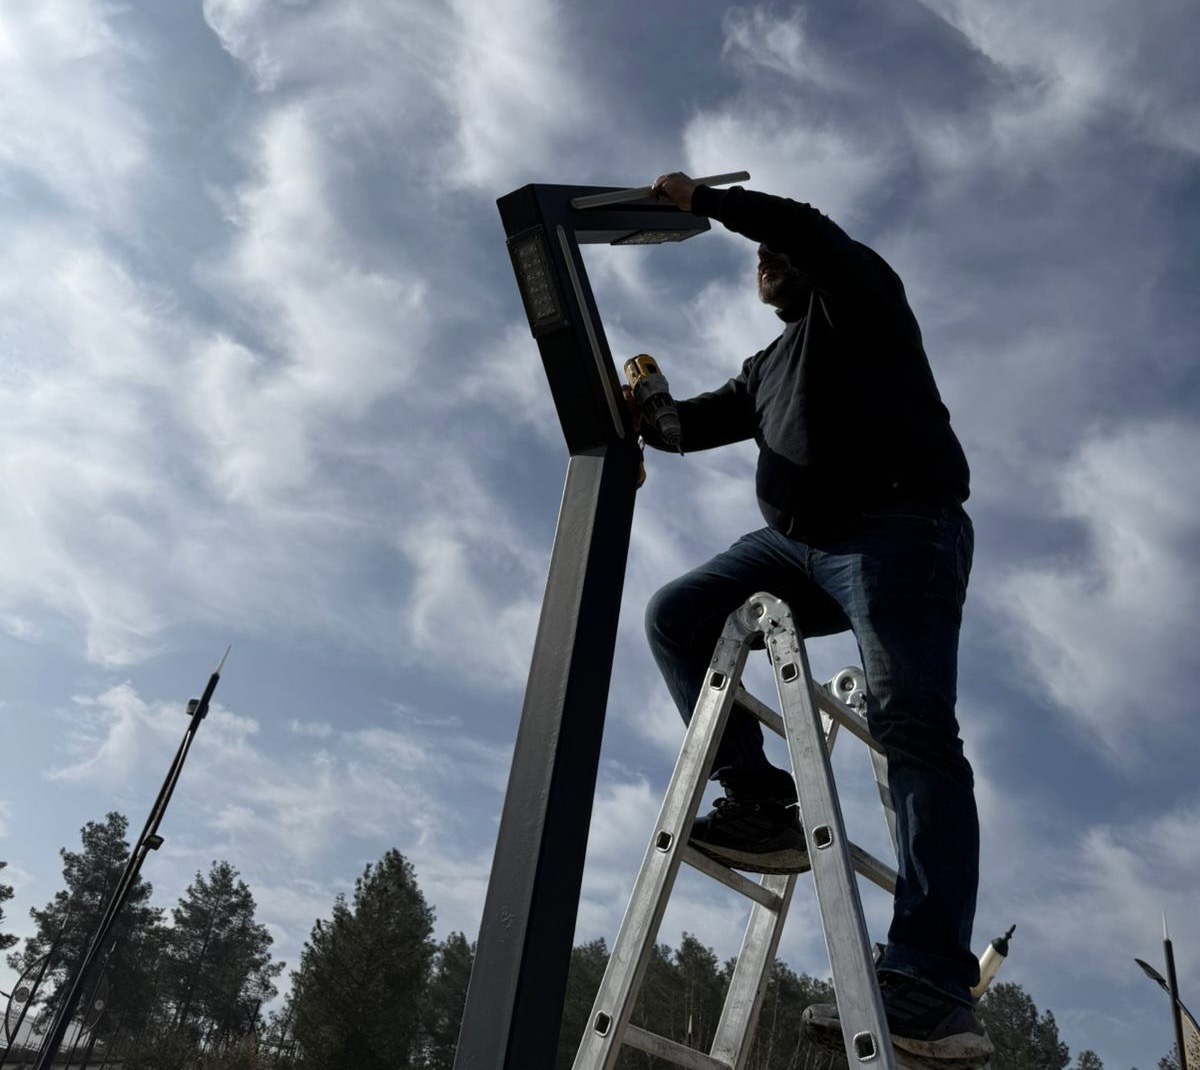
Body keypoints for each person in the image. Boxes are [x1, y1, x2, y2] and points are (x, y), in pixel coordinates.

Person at [636, 171, 990, 1065]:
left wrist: (704, 203)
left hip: (902, 531)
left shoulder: (857, 295)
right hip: (800, 550)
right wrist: (643, 402)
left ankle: (932, 982)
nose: (764, 257)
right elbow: (681, 428)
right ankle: (763, 803)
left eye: (772, 247)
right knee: (678, 614)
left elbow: (804, 226)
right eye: (756, 254)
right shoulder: (765, 370)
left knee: (911, 724)